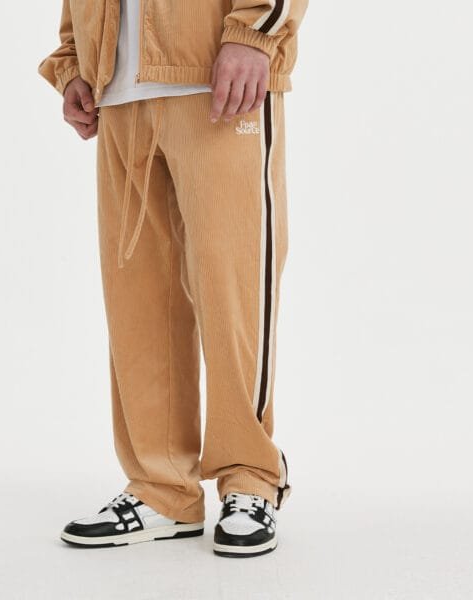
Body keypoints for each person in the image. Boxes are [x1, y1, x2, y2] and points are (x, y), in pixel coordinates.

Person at [38, 0, 307, 558]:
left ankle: (250, 477)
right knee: (137, 300)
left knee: (234, 289)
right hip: (118, 91)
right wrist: (75, 59)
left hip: (218, 80)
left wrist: (255, 33)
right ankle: (162, 489)